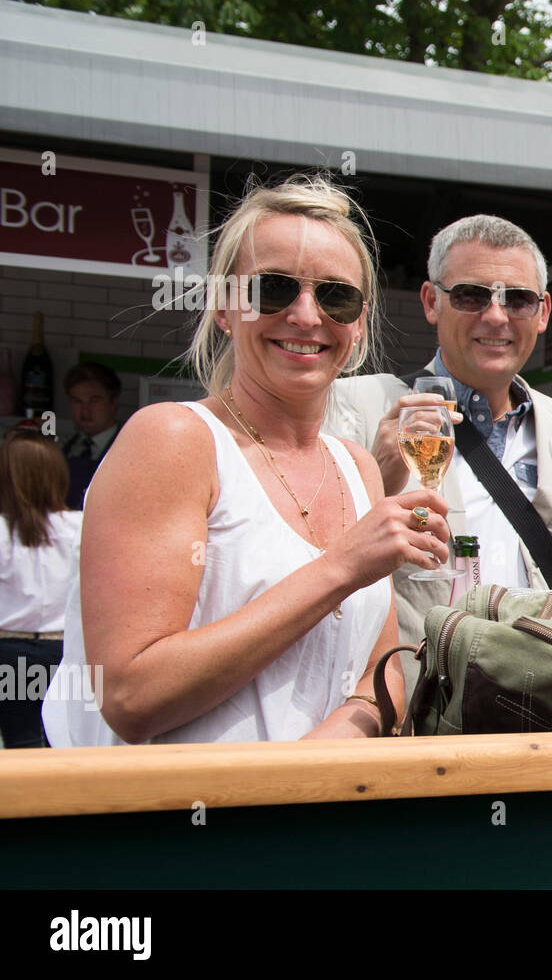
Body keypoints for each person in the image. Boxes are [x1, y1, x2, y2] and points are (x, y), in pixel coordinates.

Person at [42, 174, 447, 746]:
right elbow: (131, 695)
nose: (307, 316)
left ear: (357, 325)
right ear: (225, 309)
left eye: (336, 296)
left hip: (300, 824)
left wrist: (294, 792)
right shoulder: (175, 439)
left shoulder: (356, 467)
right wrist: (339, 569)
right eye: (273, 290)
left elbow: (379, 686)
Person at [327, 214, 552, 648]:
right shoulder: (356, 408)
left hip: (544, 701)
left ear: (542, 312)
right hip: (415, 705)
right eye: (470, 295)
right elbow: (313, 572)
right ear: (431, 302)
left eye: (517, 299)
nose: (496, 316)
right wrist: (375, 478)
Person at [0, 433, 82, 748]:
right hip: (66, 651)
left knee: (21, 743)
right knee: (65, 741)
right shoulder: (80, 526)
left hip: (9, 652)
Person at [61, 362, 123, 510]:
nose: (85, 410)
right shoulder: (63, 449)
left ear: (113, 402)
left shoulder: (127, 449)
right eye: (77, 401)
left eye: (94, 401)